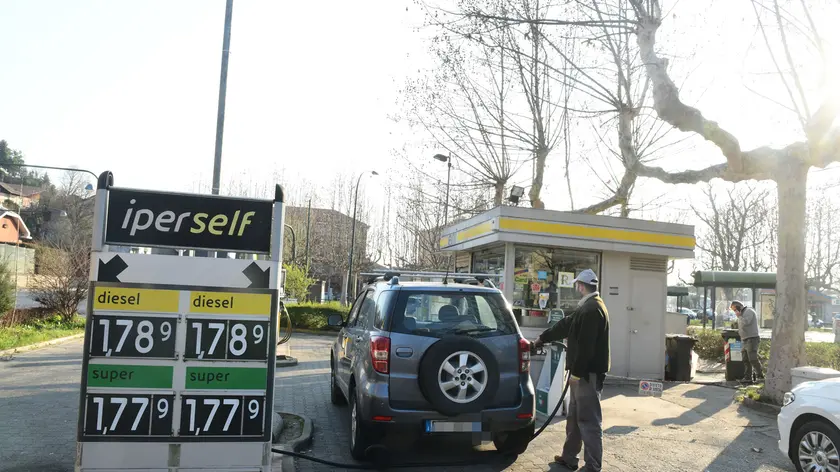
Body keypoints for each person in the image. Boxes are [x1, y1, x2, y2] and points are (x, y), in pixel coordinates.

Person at [533, 268, 610, 472]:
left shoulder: (593, 310)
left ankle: (593, 466)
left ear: (581, 286)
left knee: (589, 421)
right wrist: (542, 338)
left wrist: (576, 373)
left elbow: (586, 347)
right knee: (575, 418)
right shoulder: (586, 308)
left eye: (577, 284)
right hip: (581, 374)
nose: (576, 287)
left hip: (587, 375)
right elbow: (566, 325)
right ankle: (569, 457)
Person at [730, 300, 763, 383]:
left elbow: (746, 322)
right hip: (744, 339)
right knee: (745, 359)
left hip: (752, 338)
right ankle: (748, 377)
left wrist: (739, 316)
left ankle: (760, 376)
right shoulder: (741, 315)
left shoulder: (749, 311)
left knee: (752, 358)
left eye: (735, 310)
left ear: (738, 307)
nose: (734, 312)